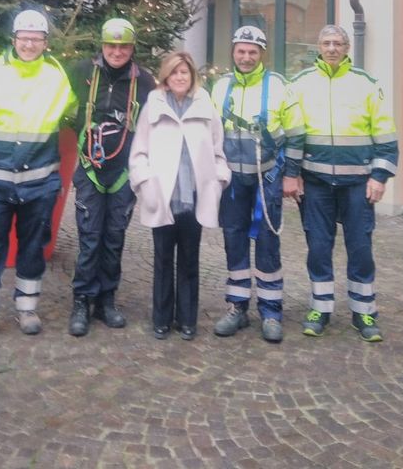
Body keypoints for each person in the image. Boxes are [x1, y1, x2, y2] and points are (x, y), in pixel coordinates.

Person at [0, 9, 77, 343]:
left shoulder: (56, 75)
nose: (29, 45)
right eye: (24, 38)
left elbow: (76, 108)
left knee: (33, 247)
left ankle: (27, 308)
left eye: (36, 39)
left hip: (40, 181)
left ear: (45, 43)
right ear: (14, 40)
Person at [284, 25, 399, 342]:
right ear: (318, 47)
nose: (332, 48)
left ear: (347, 48)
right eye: (327, 43)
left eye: (338, 43)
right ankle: (319, 309)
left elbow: (386, 135)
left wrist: (379, 177)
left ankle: (364, 312)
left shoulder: (366, 84)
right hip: (316, 182)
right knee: (318, 248)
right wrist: (293, 173)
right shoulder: (301, 83)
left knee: (360, 247)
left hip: (358, 183)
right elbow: (293, 134)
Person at [129, 52, 231, 340]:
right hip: (162, 197)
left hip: (194, 197)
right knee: (162, 260)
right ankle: (161, 319)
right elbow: (139, 152)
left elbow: (218, 150)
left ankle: (187, 320)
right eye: (174, 72)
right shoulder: (153, 106)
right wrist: (146, 185)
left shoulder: (205, 105)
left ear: (192, 75)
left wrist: (218, 181)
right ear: (166, 76)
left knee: (189, 260)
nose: (179, 77)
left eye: (184, 72)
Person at [210, 25, 300, 343]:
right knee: (233, 240)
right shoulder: (220, 86)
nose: (246, 57)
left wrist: (291, 174)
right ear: (233, 52)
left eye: (252, 52)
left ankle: (271, 312)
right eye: (241, 51)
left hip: (267, 179)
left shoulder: (279, 86)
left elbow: (296, 133)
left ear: (262, 54)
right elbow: (210, 133)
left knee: (267, 243)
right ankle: (237, 307)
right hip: (232, 182)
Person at [67, 17, 156, 337]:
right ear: (102, 46)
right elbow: (57, 107)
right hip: (90, 170)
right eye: (111, 46)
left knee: (114, 237)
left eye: (123, 47)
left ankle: (106, 299)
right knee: (90, 237)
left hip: (123, 174)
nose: (117, 52)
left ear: (132, 48)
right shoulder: (80, 72)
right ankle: (82, 300)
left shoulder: (144, 81)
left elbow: (155, 123)